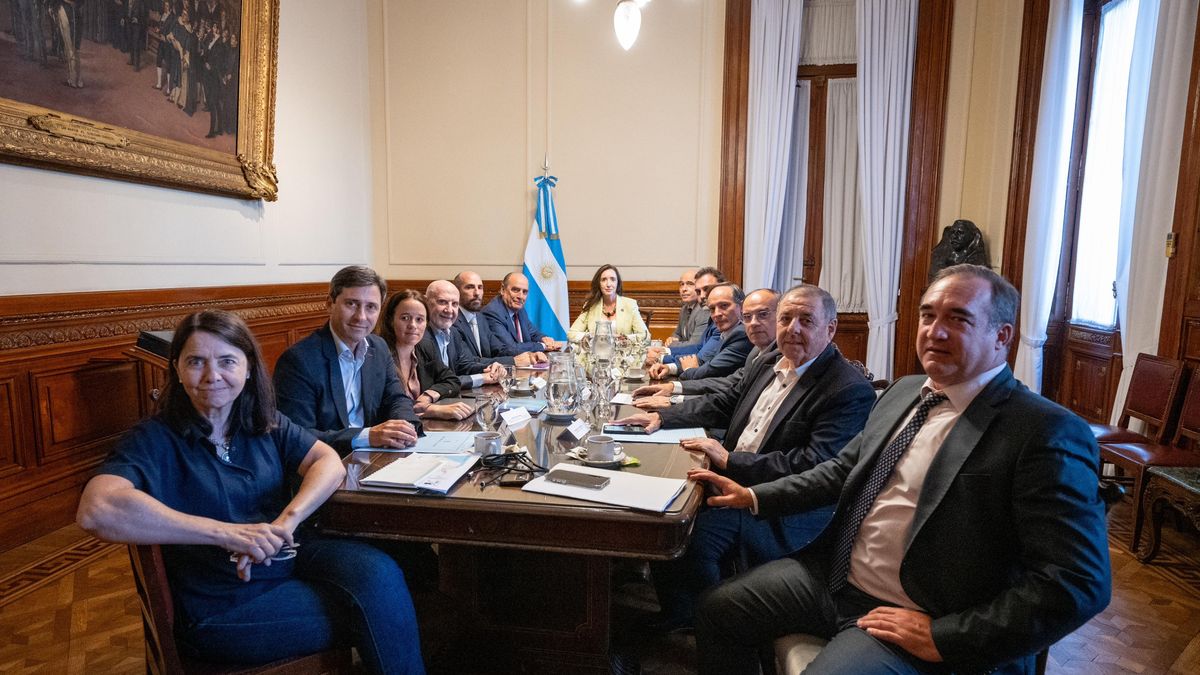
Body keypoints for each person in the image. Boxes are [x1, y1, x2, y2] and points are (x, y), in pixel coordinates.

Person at [688, 265, 1111, 675]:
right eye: (928, 315)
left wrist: (947, 637)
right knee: (716, 610)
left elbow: (1077, 582)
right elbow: (841, 469)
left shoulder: (1043, 431)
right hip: (834, 581)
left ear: (1001, 337)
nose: (934, 331)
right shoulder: (905, 391)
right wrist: (756, 496)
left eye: (958, 319)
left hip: (912, 612)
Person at [75, 310, 424, 673]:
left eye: (227, 361)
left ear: (247, 367)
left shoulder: (263, 421)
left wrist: (287, 522)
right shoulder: (155, 437)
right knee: (380, 612)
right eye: (196, 361)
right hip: (223, 600)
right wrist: (226, 534)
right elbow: (95, 508)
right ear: (176, 368)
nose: (213, 376)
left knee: (380, 573)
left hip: (283, 558)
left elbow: (328, 462)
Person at [619, 285, 876, 629]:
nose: (792, 328)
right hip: (736, 474)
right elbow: (725, 402)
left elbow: (812, 465)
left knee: (684, 530)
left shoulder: (846, 389)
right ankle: (667, 601)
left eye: (806, 320)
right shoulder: (770, 359)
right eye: (786, 318)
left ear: (830, 329)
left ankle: (705, 620)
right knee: (656, 492)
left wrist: (729, 460)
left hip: (782, 505)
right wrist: (663, 418)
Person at [274, 265, 420, 456]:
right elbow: (297, 436)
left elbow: (396, 399)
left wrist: (405, 428)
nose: (361, 317)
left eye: (371, 307)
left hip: (375, 456)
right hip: (326, 465)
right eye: (351, 304)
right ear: (330, 303)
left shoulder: (378, 347)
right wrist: (367, 436)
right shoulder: (299, 360)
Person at [632, 288, 781, 410]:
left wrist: (676, 396)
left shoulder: (741, 335)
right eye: (748, 316)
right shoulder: (756, 351)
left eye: (763, 314)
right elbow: (729, 383)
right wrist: (673, 387)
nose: (753, 323)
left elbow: (707, 366)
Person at [380, 289, 474, 421]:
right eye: (405, 318)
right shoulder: (379, 354)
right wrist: (430, 409)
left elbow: (451, 380)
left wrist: (428, 396)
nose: (413, 325)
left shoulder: (424, 347)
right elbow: (385, 405)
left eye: (420, 319)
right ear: (391, 320)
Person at [650, 282, 751, 381]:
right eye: (712, 308)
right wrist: (669, 368)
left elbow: (706, 368)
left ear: (742, 307)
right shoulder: (721, 325)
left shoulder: (741, 334)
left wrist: (687, 369)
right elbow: (700, 348)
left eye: (724, 305)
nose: (717, 313)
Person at [420, 279, 506, 390]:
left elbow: (464, 365)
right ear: (426, 302)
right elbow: (438, 383)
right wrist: (482, 378)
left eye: (455, 304)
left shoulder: (453, 332)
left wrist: (490, 368)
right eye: (442, 302)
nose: (450, 310)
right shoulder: (419, 336)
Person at [453, 271, 546, 368]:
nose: (477, 293)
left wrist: (530, 355)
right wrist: (513, 361)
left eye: (480, 287)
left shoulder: (479, 317)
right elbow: (468, 362)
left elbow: (500, 349)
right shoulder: (452, 321)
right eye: (470, 287)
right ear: (456, 291)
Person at [482, 272, 564, 355]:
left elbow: (533, 332)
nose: (520, 296)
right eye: (515, 290)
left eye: (524, 292)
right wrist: (543, 346)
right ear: (503, 289)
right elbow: (510, 348)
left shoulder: (519, 309)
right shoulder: (493, 312)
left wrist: (544, 339)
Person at [567, 264, 649, 340]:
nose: (608, 284)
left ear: (617, 283)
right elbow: (571, 334)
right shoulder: (590, 305)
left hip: (622, 353)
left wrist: (624, 338)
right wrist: (592, 336)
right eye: (604, 280)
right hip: (596, 353)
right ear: (598, 283)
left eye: (612, 279)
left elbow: (645, 335)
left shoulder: (630, 305)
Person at [667, 268, 708, 346]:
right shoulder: (684, 309)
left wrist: (671, 345)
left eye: (690, 284)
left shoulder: (704, 310)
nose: (684, 289)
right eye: (681, 284)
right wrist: (672, 339)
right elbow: (677, 334)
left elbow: (694, 344)